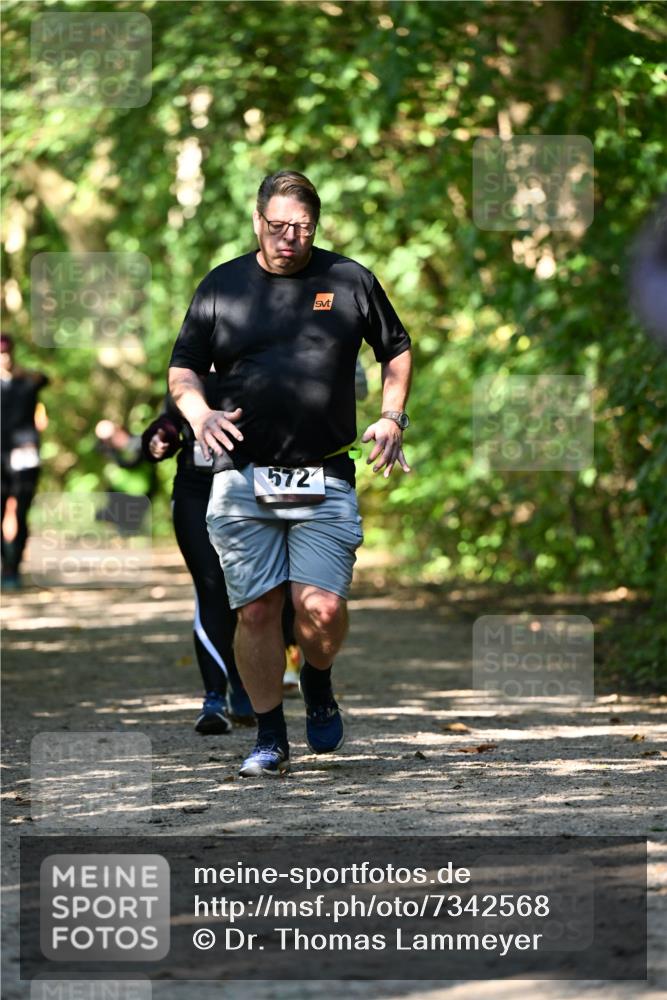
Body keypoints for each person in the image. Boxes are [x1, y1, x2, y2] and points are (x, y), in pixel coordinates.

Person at [168, 170, 412, 777]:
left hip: (324, 474)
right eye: (277, 226)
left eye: (301, 228)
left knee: (320, 610)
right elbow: (184, 369)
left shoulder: (348, 280)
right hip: (241, 474)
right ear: (257, 222)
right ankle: (270, 738)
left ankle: (319, 681)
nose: (289, 238)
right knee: (256, 610)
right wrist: (198, 415)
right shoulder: (222, 286)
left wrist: (391, 418)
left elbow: (396, 349)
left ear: (315, 227)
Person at [1, 334, 49, 590]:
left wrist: (23, 374)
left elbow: (45, 378)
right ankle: (4, 562)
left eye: (7, 352)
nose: (4, 357)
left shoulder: (27, 382)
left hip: (24, 454)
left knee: (21, 512)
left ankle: (14, 566)